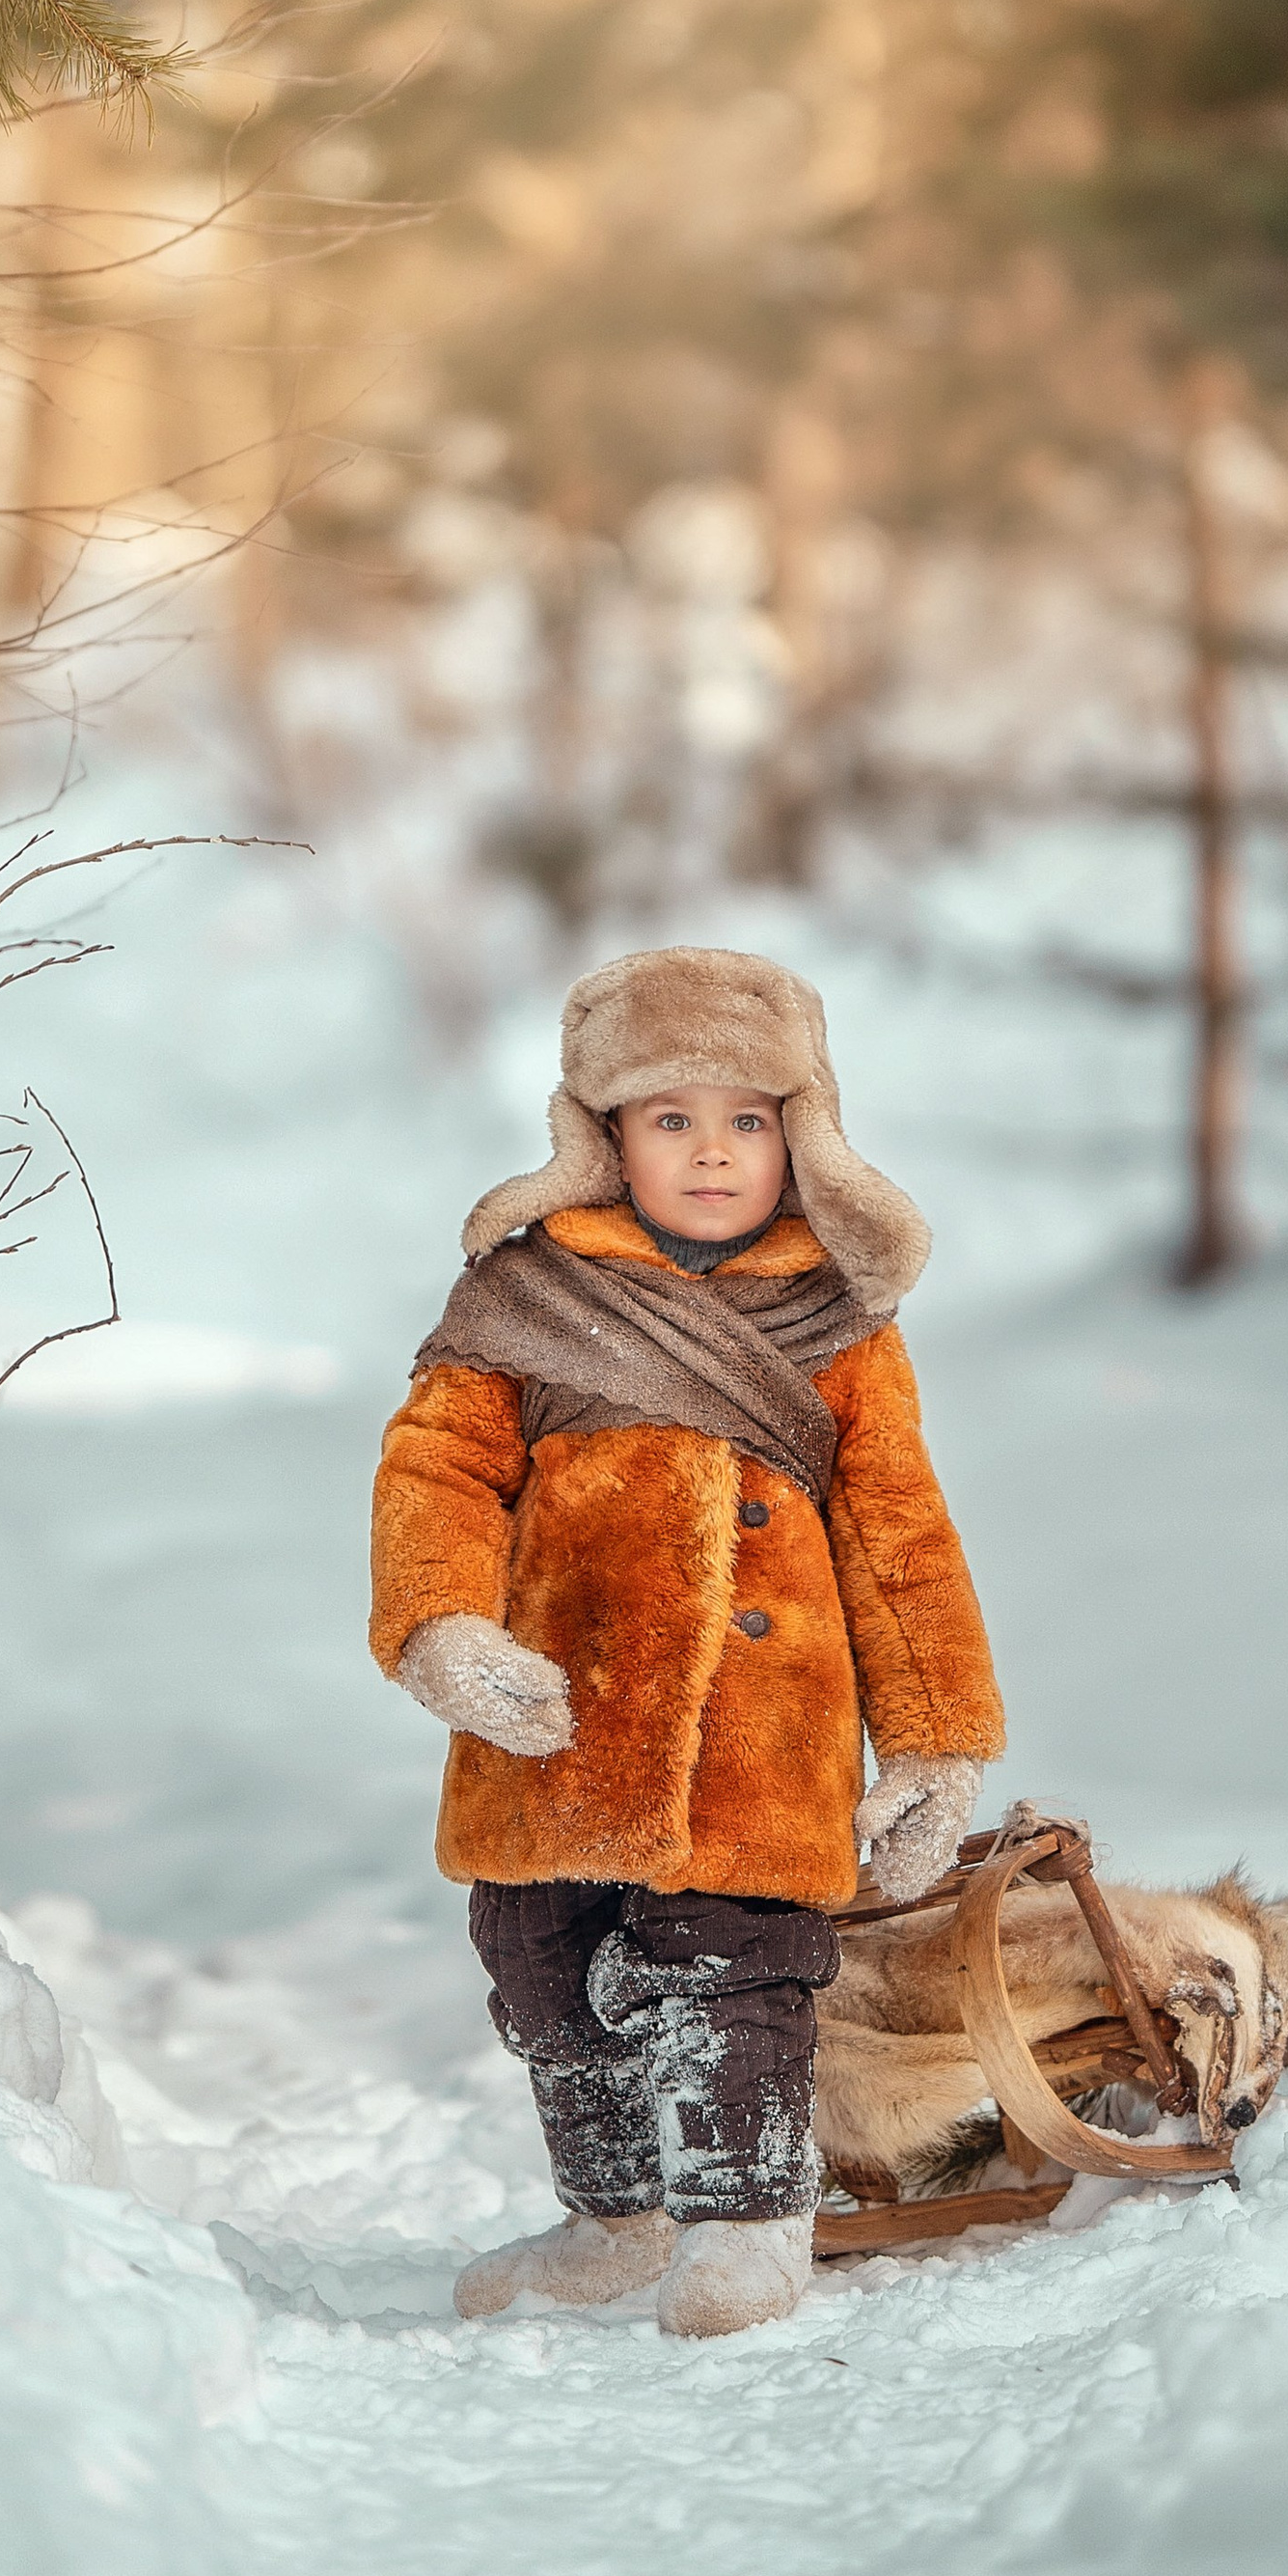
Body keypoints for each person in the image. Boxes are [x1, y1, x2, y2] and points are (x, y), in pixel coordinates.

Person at [370, 946, 1003, 2341]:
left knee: (733, 1975)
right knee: (543, 1963)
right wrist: (438, 1623)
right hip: (562, 1713)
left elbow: (902, 1539)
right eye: (672, 1120)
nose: (713, 1153)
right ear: (602, 1137)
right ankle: (619, 2218)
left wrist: (938, 1742)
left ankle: (746, 2230)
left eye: (748, 1120)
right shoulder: (523, 1301)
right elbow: (438, 1471)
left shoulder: (842, 1322)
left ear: (803, 1132)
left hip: (762, 1736)